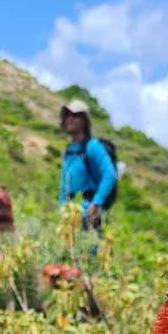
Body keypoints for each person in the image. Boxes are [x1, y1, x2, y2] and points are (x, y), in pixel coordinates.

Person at [58, 99, 116, 239]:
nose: (69, 119)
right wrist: (61, 209)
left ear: (84, 121)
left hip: (90, 213)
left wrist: (96, 202)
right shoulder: (68, 151)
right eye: (66, 115)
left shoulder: (93, 146)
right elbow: (64, 185)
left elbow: (109, 174)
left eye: (74, 115)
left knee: (89, 249)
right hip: (70, 216)